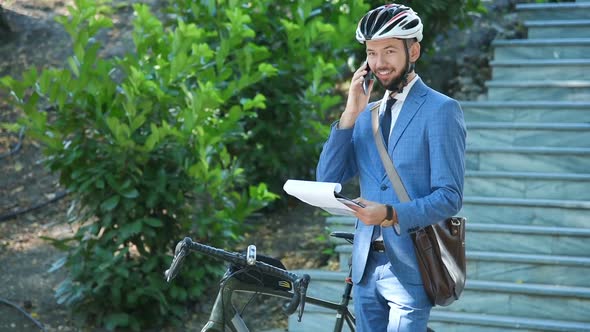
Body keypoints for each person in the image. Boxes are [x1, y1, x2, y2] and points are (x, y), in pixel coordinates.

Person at [316, 4, 466, 331]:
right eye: (371, 53)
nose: (379, 63)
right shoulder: (365, 115)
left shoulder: (441, 110)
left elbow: (449, 197)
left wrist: (390, 213)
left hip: (412, 265)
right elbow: (328, 180)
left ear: (413, 50)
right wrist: (350, 113)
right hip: (365, 266)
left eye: (389, 51)